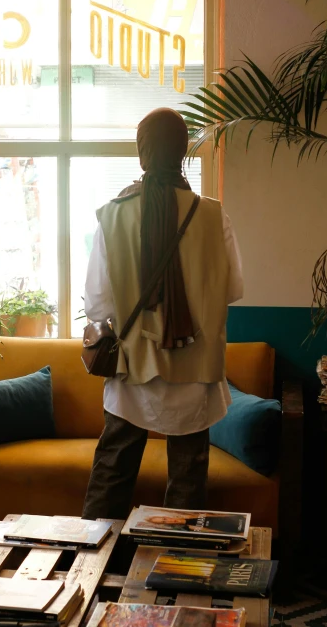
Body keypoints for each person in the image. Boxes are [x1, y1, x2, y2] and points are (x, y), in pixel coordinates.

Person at [82, 108, 243, 521]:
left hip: (132, 370)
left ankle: (94, 570)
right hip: (196, 371)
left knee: (112, 474)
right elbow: (233, 290)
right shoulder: (212, 214)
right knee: (187, 482)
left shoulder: (114, 214)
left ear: (142, 154)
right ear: (183, 151)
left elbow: (98, 305)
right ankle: (174, 573)